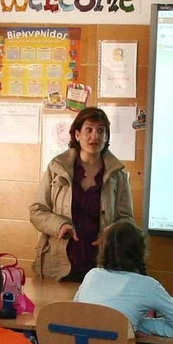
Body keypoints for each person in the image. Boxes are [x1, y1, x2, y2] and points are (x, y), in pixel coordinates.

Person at [29, 106, 134, 281]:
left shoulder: (118, 174)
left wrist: (113, 231)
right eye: (89, 129)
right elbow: (37, 211)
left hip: (102, 263)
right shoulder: (57, 168)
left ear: (107, 137)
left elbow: (127, 220)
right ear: (77, 134)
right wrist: (59, 225)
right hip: (58, 262)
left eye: (101, 131)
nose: (95, 136)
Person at [73, 221, 173, 344]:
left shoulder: (92, 274)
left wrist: (131, 325)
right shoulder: (147, 285)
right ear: (141, 251)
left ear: (103, 248)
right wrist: (134, 326)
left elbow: (73, 316)